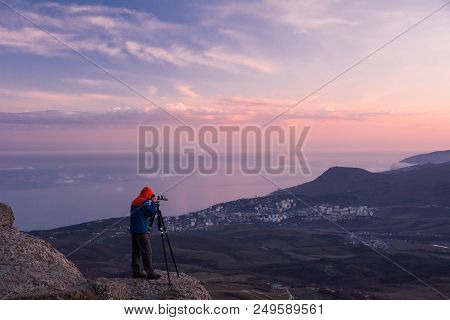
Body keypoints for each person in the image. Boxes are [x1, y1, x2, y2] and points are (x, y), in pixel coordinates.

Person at [130, 186, 161, 280]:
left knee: (136, 251)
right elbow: (151, 212)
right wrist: (154, 203)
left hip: (134, 229)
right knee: (147, 251)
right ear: (148, 194)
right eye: (151, 195)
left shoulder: (135, 200)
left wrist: (151, 202)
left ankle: (136, 271)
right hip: (141, 230)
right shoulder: (143, 202)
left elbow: (144, 213)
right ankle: (150, 272)